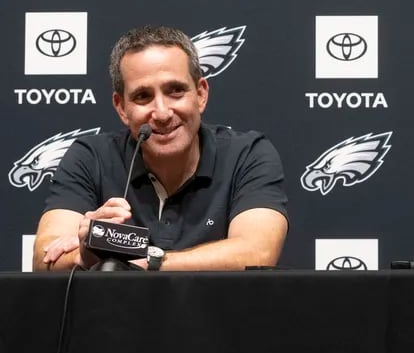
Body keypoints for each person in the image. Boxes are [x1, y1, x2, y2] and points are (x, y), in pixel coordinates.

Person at [32, 25, 288, 271]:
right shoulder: (90, 157)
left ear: (200, 94)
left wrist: (147, 260)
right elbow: (45, 256)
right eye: (143, 96)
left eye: (175, 91)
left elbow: (257, 253)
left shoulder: (248, 154)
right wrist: (86, 256)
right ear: (121, 107)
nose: (162, 113)